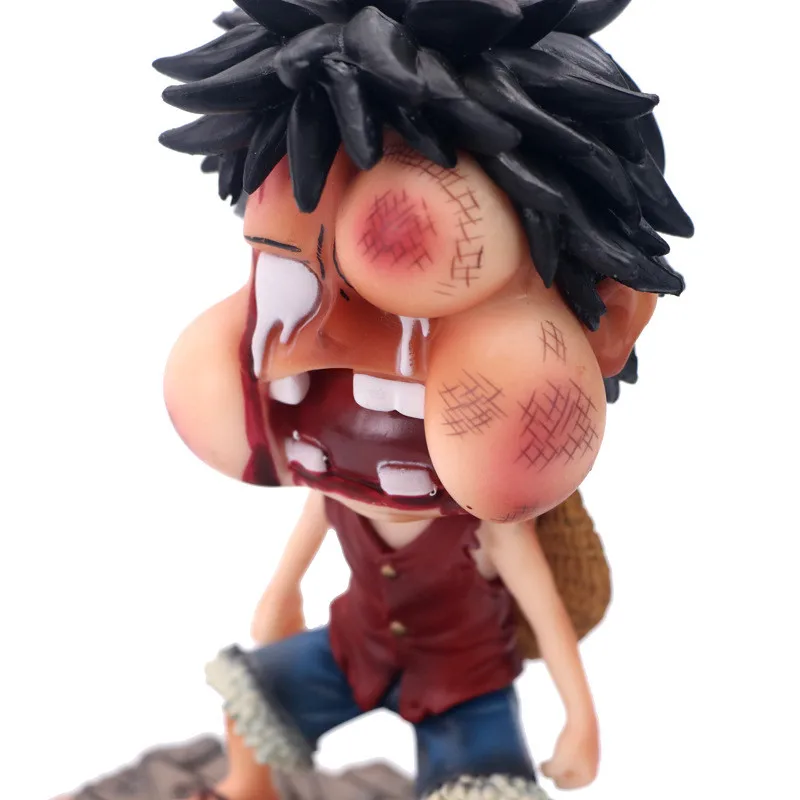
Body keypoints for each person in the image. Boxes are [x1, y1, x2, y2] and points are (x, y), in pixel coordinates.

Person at [153, 1, 693, 798]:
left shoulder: (486, 519)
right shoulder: (333, 468)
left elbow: (538, 600)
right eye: (285, 268)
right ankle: (246, 789)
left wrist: (580, 714)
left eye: (415, 277)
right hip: (355, 647)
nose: (326, 337)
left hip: (463, 678)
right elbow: (319, 518)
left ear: (607, 319)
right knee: (252, 697)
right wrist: (281, 589)